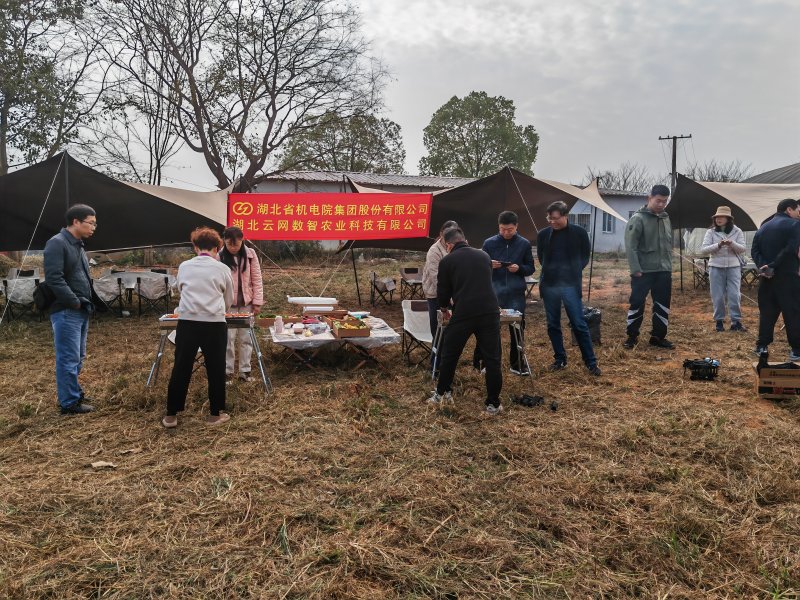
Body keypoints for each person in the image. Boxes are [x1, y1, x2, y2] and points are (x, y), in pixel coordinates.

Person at [428, 227, 504, 415]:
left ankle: (442, 393)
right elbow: (486, 282)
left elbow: (443, 290)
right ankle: (493, 404)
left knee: (450, 354)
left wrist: (444, 308)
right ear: (465, 240)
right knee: (493, 359)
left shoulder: (447, 261)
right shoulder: (484, 256)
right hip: (490, 312)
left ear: (448, 245)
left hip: (464, 312)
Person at [163, 227, 234, 428]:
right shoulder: (222, 268)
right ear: (217, 248)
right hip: (214, 324)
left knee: (181, 367)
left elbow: (180, 289)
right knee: (216, 368)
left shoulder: (184, 266)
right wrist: (218, 310)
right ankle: (215, 415)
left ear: (195, 247)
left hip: (187, 322)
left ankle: (171, 415)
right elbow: (228, 298)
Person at [43, 204, 99, 415]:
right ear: (76, 221)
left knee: (78, 356)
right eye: (90, 223)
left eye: (94, 224)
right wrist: (74, 302)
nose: (93, 227)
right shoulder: (57, 243)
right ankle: (69, 403)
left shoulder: (78, 245)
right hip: (67, 311)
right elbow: (54, 278)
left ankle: (73, 393)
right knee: (68, 358)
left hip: (81, 309)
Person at [536, 201, 601, 376]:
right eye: (549, 218)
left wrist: (572, 271)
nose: (552, 222)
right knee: (553, 324)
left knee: (579, 323)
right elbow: (542, 258)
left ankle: (591, 362)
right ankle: (560, 359)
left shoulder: (579, 233)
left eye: (555, 218)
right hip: (549, 286)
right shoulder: (543, 234)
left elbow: (585, 257)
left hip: (570, 285)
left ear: (565, 216)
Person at [479, 211, 535, 375]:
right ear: (498, 226)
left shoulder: (524, 244)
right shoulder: (489, 243)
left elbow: (530, 268)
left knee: (517, 328)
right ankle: (487, 363)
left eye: (509, 230)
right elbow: (479, 265)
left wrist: (519, 269)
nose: (505, 233)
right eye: (502, 229)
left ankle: (516, 364)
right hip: (494, 293)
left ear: (516, 226)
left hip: (515, 293)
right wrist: (489, 264)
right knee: (490, 329)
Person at [623, 184, 674, 349]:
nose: (661, 204)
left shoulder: (666, 218)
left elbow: (668, 243)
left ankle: (658, 337)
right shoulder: (638, 218)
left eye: (664, 201)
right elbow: (631, 246)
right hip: (643, 271)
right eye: (658, 200)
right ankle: (632, 337)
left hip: (663, 270)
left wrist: (669, 266)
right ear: (650, 198)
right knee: (637, 303)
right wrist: (635, 269)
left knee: (662, 304)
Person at [751, 198, 800, 360]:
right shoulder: (795, 225)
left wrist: (764, 267)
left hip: (767, 277)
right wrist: (773, 265)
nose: (799, 213)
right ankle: (796, 350)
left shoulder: (764, 226)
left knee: (767, 313)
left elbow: (754, 250)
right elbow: (790, 249)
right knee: (793, 312)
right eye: (797, 210)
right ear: (789, 209)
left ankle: (761, 346)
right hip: (788, 277)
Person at [219, 226, 263, 382]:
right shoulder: (219, 256)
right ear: (224, 241)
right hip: (227, 305)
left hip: (247, 303)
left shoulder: (250, 254)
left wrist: (257, 302)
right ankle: (227, 372)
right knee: (228, 339)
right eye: (229, 244)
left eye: (236, 244)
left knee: (246, 337)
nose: (233, 248)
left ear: (242, 240)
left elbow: (257, 279)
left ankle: (245, 371)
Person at [700, 206, 747, 332]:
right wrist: (719, 245)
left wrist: (732, 243)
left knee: (734, 295)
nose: (718, 219)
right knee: (717, 295)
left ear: (728, 219)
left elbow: (742, 248)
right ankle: (719, 321)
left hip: (733, 267)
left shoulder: (737, 231)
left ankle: (736, 322)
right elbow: (704, 249)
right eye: (717, 217)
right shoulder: (710, 232)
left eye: (721, 217)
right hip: (716, 266)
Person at [422, 220, 458, 368]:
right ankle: (435, 365)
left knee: (451, 330)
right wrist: (449, 297)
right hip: (436, 295)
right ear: (441, 234)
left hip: (453, 295)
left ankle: (447, 363)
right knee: (438, 329)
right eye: (447, 234)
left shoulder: (457, 246)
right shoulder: (434, 251)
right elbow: (436, 278)